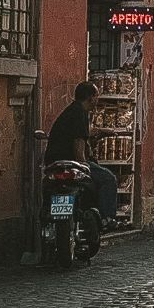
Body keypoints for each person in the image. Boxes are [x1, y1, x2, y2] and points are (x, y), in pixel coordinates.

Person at [44, 81, 119, 225]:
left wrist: (101, 131)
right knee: (108, 179)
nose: (98, 100)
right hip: (72, 162)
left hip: (54, 161)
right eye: (96, 96)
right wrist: (82, 163)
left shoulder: (72, 110)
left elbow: (82, 132)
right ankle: (107, 219)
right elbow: (78, 140)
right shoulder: (81, 112)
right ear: (90, 98)